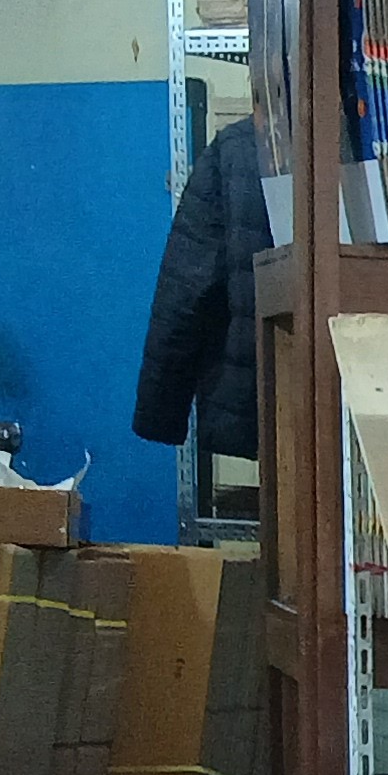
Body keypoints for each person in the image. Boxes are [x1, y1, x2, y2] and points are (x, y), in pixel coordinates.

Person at [134, 113, 266, 493]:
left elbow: (184, 289)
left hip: (266, 396)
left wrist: (160, 411)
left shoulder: (239, 148)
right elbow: (185, 286)